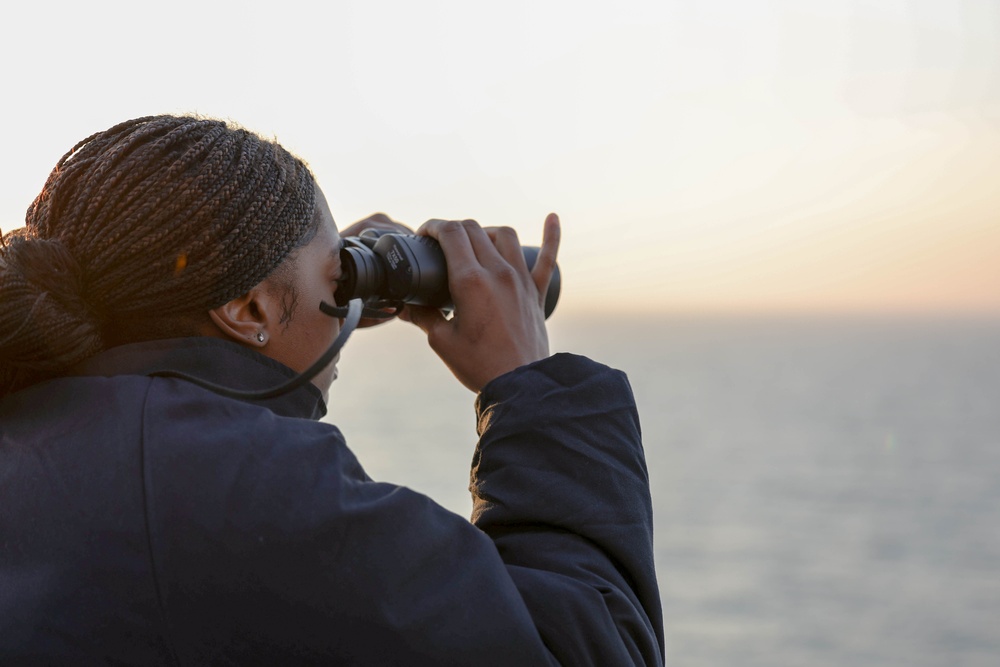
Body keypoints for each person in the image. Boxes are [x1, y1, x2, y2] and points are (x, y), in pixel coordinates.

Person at [0, 115, 664, 665]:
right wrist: (529, 385)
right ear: (248, 311)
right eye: (337, 276)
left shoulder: (45, 437)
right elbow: (591, 650)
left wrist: (301, 283)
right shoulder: (233, 487)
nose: (344, 294)